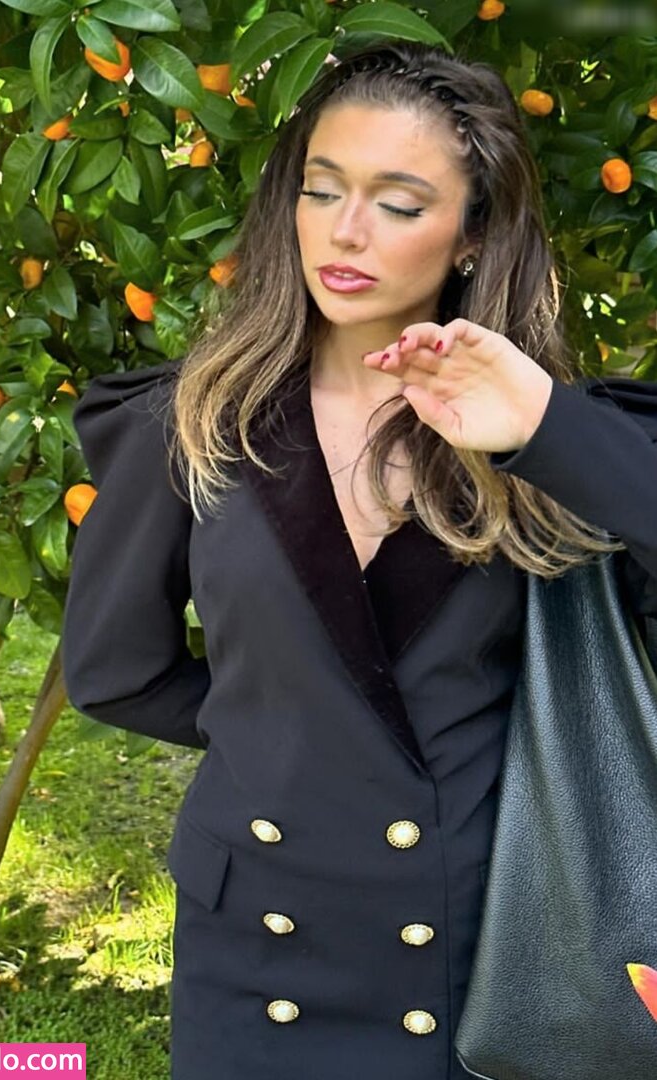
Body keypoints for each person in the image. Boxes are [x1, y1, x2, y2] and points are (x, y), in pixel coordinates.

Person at [62, 40, 657, 1080]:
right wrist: (289, 735)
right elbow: (114, 672)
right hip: (256, 958)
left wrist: (544, 430)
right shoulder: (190, 423)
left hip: (493, 956)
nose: (343, 231)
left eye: (398, 202)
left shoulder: (552, 434)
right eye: (321, 189)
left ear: (473, 233)